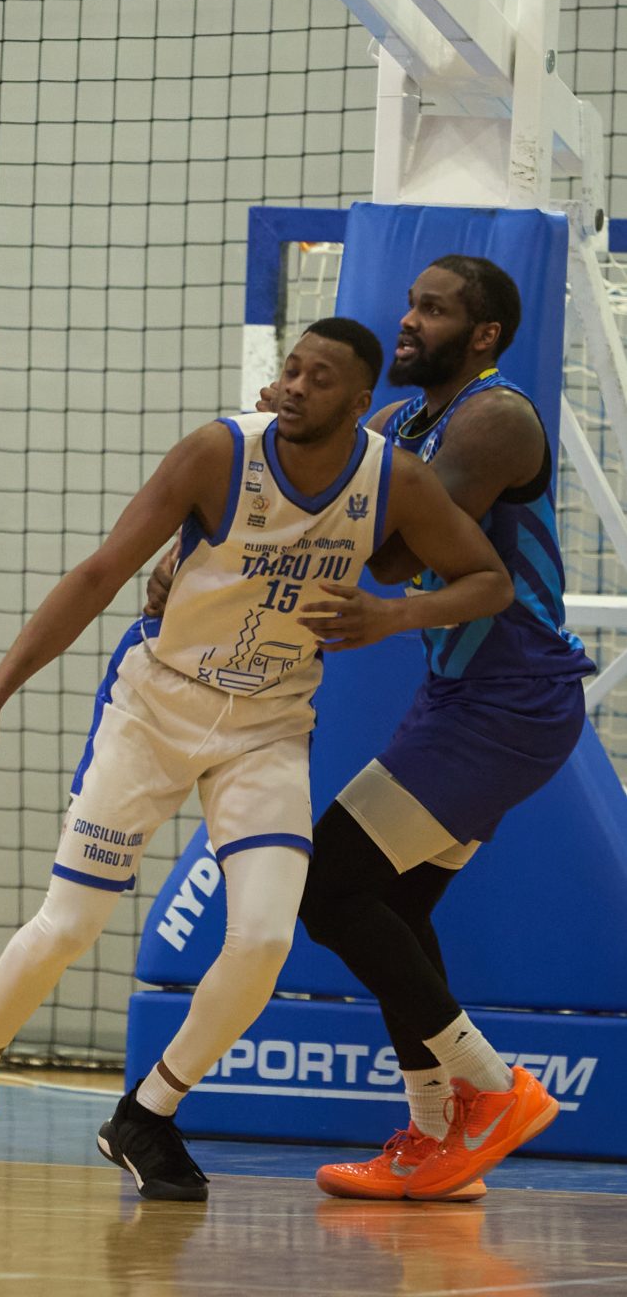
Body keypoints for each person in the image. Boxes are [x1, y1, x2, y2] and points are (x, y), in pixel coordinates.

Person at [0, 319, 511, 1202]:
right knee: (68, 926)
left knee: (265, 939)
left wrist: (392, 615)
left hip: (267, 725)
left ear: (360, 401)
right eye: (290, 369)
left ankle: (148, 1113)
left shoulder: (390, 479)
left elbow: (488, 581)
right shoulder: (217, 453)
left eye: (319, 378)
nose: (294, 386)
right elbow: (99, 574)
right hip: (155, 707)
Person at [299, 256, 591, 1201]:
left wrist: (343, 493)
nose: (409, 320)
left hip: (510, 701)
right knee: (395, 908)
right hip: (461, 696)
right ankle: (435, 1140)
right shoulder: (404, 423)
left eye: (432, 310)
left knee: (329, 887)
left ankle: (492, 1090)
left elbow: (392, 553)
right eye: (410, 304)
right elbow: (331, 492)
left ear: (483, 334)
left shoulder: (495, 418)